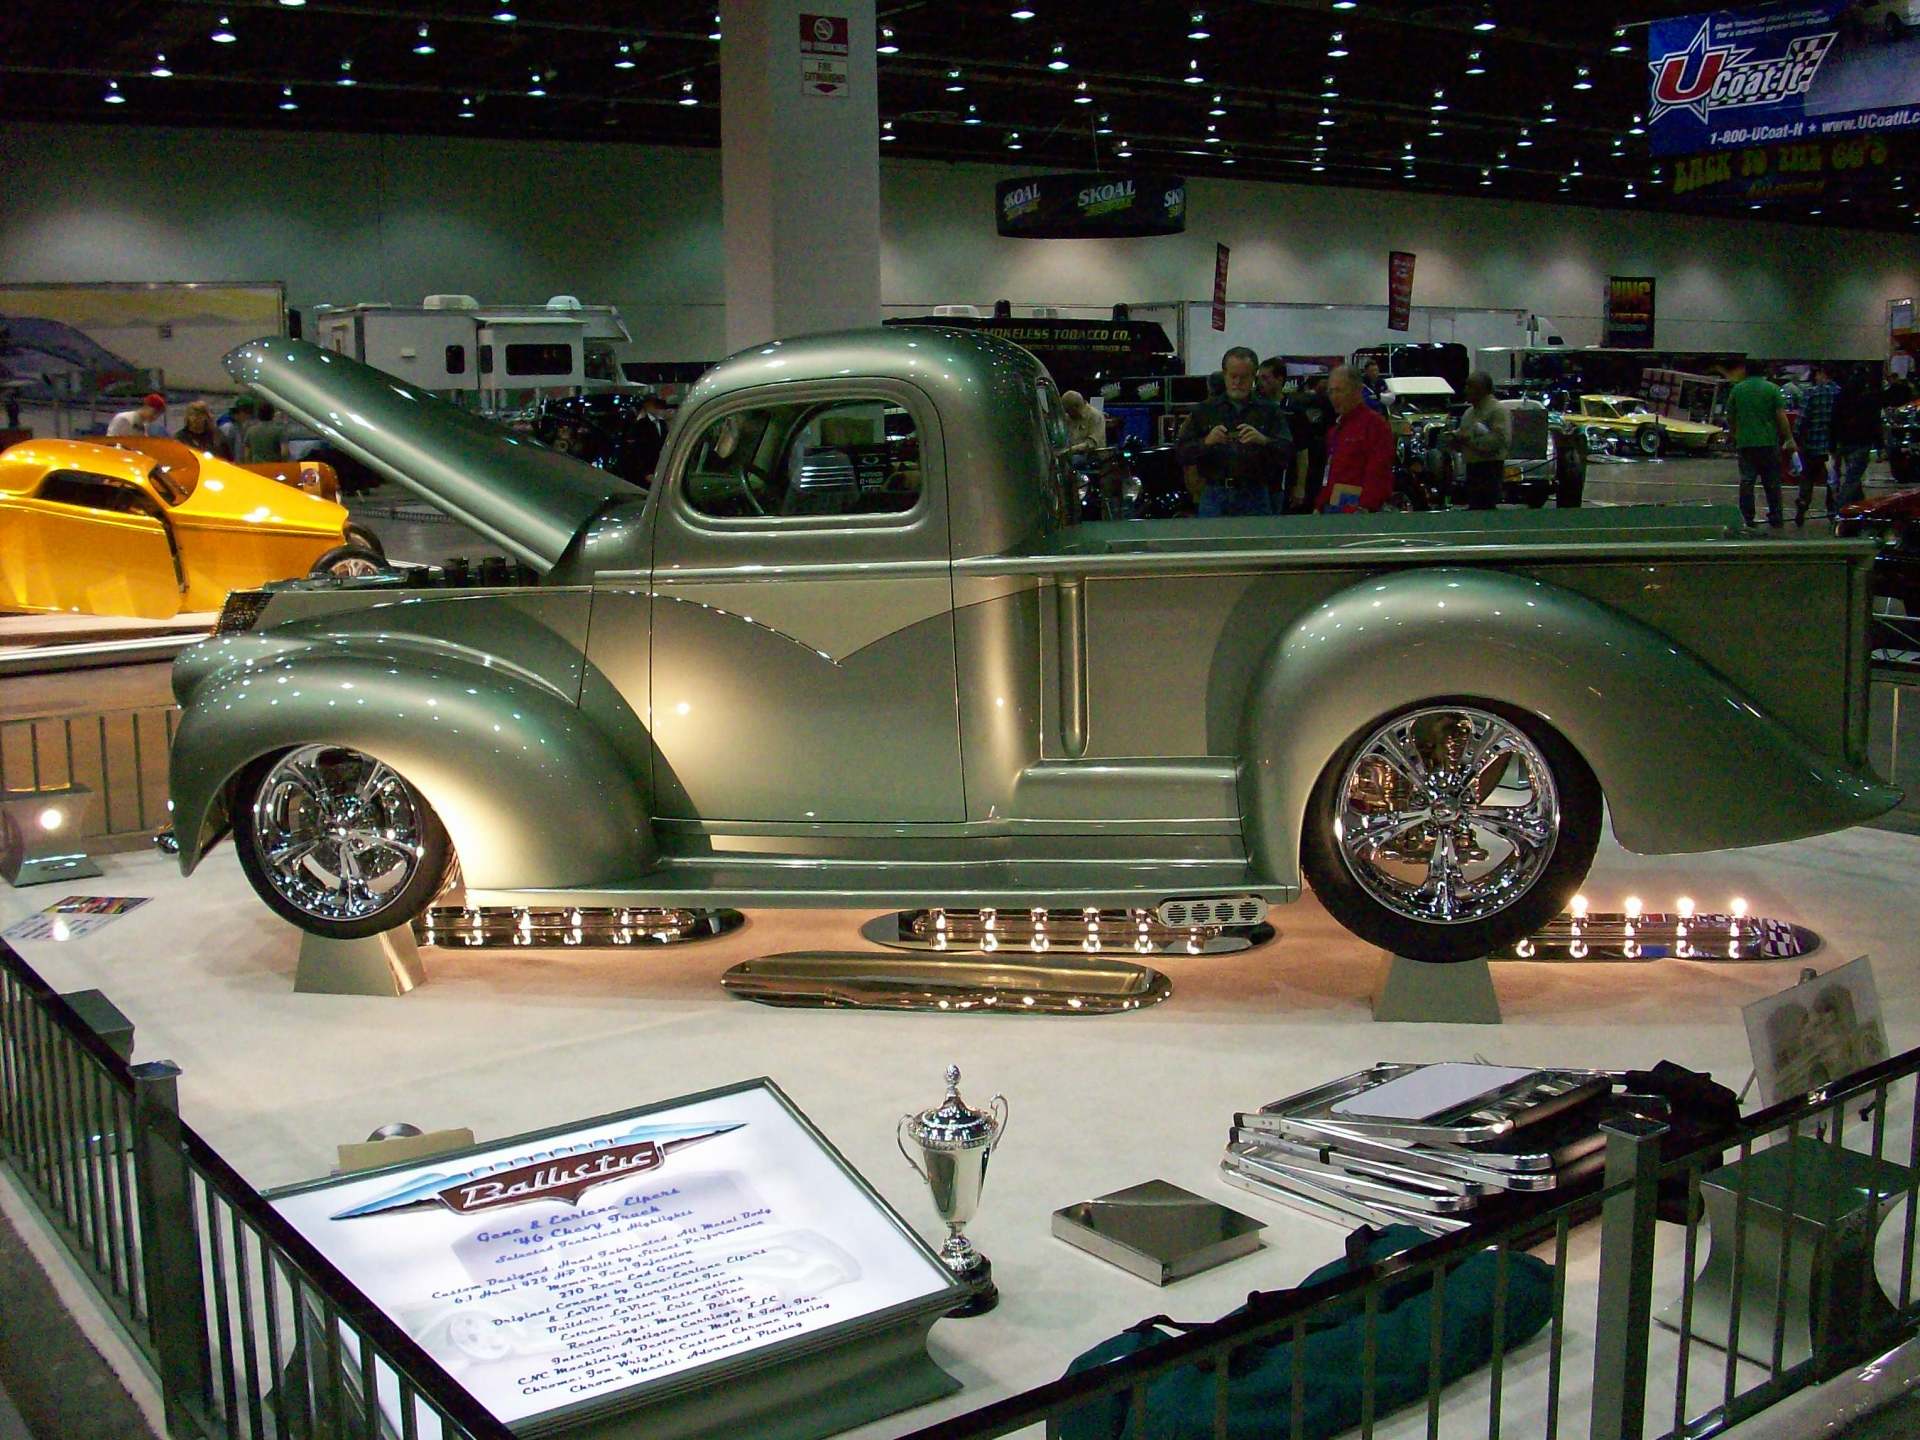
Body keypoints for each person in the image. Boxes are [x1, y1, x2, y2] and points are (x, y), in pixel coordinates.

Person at [1174, 346, 1293, 517]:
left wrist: (1264, 441)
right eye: (1233, 376)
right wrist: (1206, 442)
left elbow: (1287, 452)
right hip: (1214, 494)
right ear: (1224, 375)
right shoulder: (1205, 411)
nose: (1237, 382)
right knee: (1212, 543)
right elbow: (1181, 453)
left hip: (1255, 495)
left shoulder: (1270, 412)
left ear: (1254, 377)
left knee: (1256, 543)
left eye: (1244, 377)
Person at [1724, 359, 1797, 531]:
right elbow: (1781, 416)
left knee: (1747, 481)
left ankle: (1747, 518)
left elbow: (1730, 416)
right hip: (1768, 442)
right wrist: (1788, 437)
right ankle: (1776, 516)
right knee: (1772, 482)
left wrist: (1734, 434)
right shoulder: (1772, 389)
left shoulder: (1737, 389)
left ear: (1746, 371)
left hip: (1745, 443)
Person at [1315, 364, 1394, 513]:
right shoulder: (1335, 430)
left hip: (1360, 512)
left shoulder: (1375, 425)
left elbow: (1378, 472)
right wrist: (1320, 504)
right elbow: (1330, 473)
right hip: (1334, 509)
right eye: (1331, 392)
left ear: (1357, 390)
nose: (1334, 397)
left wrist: (1364, 507)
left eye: (1339, 391)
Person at [1451, 370, 1512, 510]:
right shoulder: (1469, 413)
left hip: (1490, 468)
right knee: (1475, 507)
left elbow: (1500, 441)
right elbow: (1463, 437)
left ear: (1482, 389)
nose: (1466, 390)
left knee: (1486, 507)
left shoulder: (1497, 410)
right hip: (1472, 467)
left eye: (1470, 386)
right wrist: (1455, 440)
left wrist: (1470, 441)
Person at [1794, 364, 1840, 526]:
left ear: (1821, 374)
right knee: (1833, 479)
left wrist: (1797, 439)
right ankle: (1832, 510)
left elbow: (1801, 421)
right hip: (1833, 445)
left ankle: (1803, 504)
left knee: (1807, 476)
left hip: (1812, 444)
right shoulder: (1839, 392)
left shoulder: (1811, 393)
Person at [1829, 374, 1881, 513]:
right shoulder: (1868, 400)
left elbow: (1833, 421)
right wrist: (1879, 444)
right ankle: (1838, 509)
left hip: (1844, 441)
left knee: (1853, 477)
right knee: (1852, 479)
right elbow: (1874, 422)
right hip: (1862, 441)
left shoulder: (1840, 398)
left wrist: (1832, 443)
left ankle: (1859, 506)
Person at [627, 391, 674, 482]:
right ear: (647, 406)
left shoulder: (662, 423)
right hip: (648, 470)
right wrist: (646, 472)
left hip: (662, 468)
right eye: (654, 405)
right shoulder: (640, 425)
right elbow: (638, 451)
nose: (657, 408)